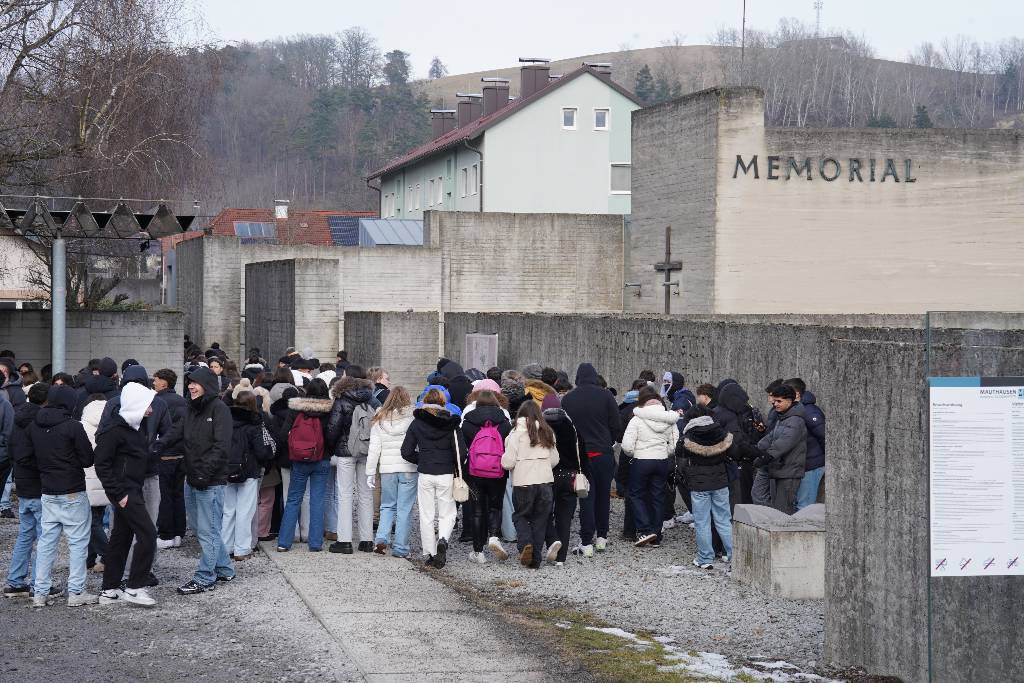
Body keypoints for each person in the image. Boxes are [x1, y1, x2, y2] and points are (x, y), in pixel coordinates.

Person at [28, 384, 97, 607]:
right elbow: (87, 459)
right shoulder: (72, 427)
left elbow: (28, 459)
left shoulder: (34, 426)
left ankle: (40, 592)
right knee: (77, 543)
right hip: (72, 491)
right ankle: (76, 592)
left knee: (47, 542)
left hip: (47, 492)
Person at [94, 382, 159, 606]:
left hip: (132, 489)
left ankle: (109, 590)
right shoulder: (113, 431)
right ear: (136, 405)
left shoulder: (136, 427)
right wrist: (118, 493)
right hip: (125, 492)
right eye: (147, 405)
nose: (151, 410)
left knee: (120, 539)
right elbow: (101, 464)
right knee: (148, 535)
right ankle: (134, 587)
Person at [178, 367, 234, 594]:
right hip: (192, 479)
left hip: (210, 482)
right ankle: (224, 568)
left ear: (207, 385)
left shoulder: (219, 409)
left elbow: (221, 447)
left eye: (195, 382)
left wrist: (204, 473)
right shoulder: (192, 408)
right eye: (189, 382)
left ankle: (204, 577)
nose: (190, 386)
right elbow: (178, 433)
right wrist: (158, 447)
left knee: (208, 531)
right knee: (201, 528)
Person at [561, 363, 621, 557]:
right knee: (604, 496)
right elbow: (616, 425)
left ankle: (586, 542)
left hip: (581, 455)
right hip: (603, 453)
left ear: (577, 378)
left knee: (585, 497)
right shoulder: (606, 396)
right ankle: (602, 537)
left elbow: (566, 429)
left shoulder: (568, 399)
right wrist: (608, 442)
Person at [401, 387, 463, 568]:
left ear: (424, 402)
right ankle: (443, 538)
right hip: (445, 472)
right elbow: (462, 451)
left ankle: (430, 553)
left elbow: (406, 451)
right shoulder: (452, 423)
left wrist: (422, 459)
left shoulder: (417, 423)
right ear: (444, 403)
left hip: (425, 472)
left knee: (426, 514)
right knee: (448, 512)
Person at [276, 378, 333, 553]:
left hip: (299, 460)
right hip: (322, 459)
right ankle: (315, 543)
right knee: (317, 500)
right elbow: (332, 434)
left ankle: (284, 542)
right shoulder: (329, 410)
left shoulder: (296, 408)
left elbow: (283, 435)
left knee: (293, 499)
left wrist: (295, 449)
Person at [502, 400, 559, 569]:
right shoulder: (547, 432)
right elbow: (555, 459)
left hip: (523, 483)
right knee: (540, 520)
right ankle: (535, 560)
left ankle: (525, 543)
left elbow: (508, 463)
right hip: (545, 482)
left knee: (520, 516)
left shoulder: (515, 434)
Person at [3, 383, 47, 597]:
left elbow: (11, 449)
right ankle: (39, 583)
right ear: (46, 400)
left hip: (22, 484)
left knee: (25, 534)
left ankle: (15, 581)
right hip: (39, 485)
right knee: (44, 536)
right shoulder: (40, 421)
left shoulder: (17, 417)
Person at [621, 387, 678, 547]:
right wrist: (664, 451)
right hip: (661, 461)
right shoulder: (670, 419)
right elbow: (674, 444)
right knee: (658, 496)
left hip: (641, 460)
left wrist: (634, 453)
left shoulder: (636, 418)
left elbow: (626, 446)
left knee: (636, 495)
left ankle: (645, 530)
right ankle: (656, 535)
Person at [326, 376, 378, 554]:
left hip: (345, 452)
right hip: (367, 450)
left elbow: (333, 427)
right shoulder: (372, 399)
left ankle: (345, 541)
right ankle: (367, 540)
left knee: (345, 495)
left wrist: (330, 447)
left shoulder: (341, 400)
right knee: (366, 495)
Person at [461, 389, 513, 563]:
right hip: (497, 471)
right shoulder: (505, 422)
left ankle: (478, 552)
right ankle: (493, 536)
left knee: (477, 511)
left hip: (474, 472)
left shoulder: (468, 422)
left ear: (477, 403)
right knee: (495, 507)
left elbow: (463, 448)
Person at [223, 391, 275, 561]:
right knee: (245, 510)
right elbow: (261, 451)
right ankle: (242, 548)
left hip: (227, 469)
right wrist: (268, 455)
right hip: (249, 470)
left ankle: (226, 546)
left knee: (228, 510)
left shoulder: (226, 421)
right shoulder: (254, 424)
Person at [678, 416, 734, 569]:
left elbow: (681, 462)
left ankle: (705, 558)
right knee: (723, 520)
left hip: (699, 484)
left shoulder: (688, 438)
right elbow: (733, 454)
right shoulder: (722, 435)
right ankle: (734, 556)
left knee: (702, 522)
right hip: (720, 483)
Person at [366, 387, 416, 557]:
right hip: (408, 467)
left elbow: (374, 449)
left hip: (387, 469)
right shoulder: (412, 418)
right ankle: (401, 548)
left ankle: (381, 540)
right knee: (404, 509)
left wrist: (370, 472)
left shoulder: (379, 419)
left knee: (387, 506)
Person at [542, 392, 588, 565]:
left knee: (543, 513)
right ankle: (560, 558)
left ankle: (552, 540)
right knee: (565, 517)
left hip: (546, 475)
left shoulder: (541, 428)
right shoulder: (572, 428)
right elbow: (582, 455)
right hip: (569, 476)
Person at [754, 384, 807, 515]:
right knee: (764, 500)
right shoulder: (783, 417)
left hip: (789, 472)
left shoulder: (795, 421)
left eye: (779, 401)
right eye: (774, 400)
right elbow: (770, 438)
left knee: (783, 510)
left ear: (790, 401)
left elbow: (783, 443)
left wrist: (766, 456)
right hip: (777, 469)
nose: (775, 404)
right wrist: (754, 450)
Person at [153, 369, 187, 549]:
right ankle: (178, 533)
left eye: (156, 380)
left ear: (164, 383)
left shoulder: (157, 402)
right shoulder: (183, 401)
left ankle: (166, 534)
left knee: (164, 496)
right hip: (182, 454)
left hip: (164, 454)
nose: (154, 382)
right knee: (178, 494)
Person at [81, 394, 111, 573]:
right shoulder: (111, 425)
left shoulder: (81, 426)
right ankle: (90, 558)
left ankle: (108, 555)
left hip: (86, 479)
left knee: (90, 522)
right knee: (96, 519)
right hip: (105, 478)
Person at [786, 378, 826, 511]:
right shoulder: (797, 409)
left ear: (796, 394)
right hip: (802, 464)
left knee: (804, 507)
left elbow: (824, 435)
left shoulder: (809, 411)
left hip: (811, 465)